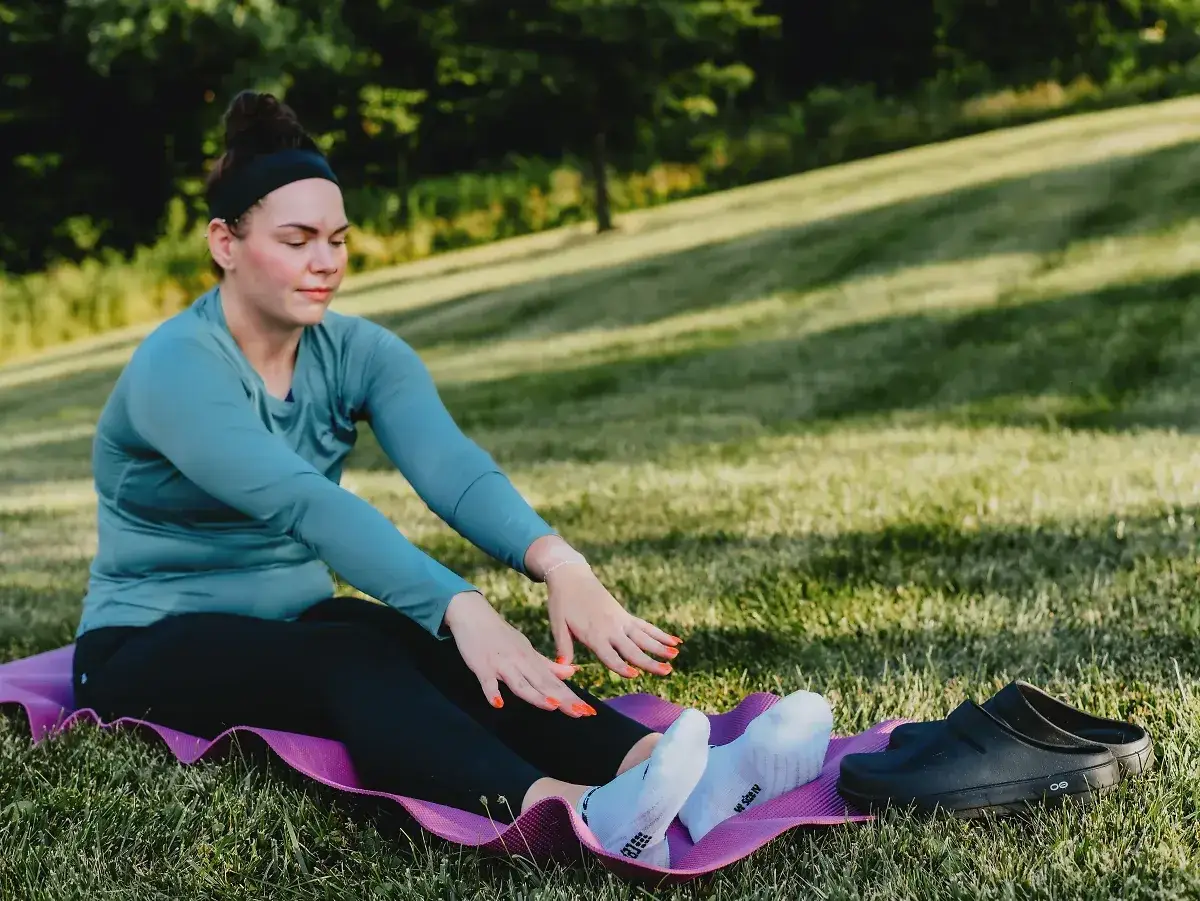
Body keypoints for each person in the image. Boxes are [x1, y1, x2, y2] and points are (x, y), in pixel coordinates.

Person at [71, 90, 834, 867]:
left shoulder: (358, 352)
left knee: (423, 649)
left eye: (337, 239)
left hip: (292, 618)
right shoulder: (178, 366)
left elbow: (453, 469)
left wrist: (558, 562)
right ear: (225, 243)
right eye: (296, 239)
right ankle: (567, 811)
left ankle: (677, 770)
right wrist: (460, 603)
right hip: (141, 642)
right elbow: (307, 504)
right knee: (361, 654)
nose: (326, 261)